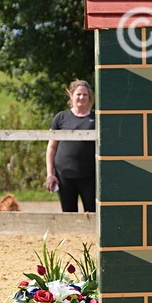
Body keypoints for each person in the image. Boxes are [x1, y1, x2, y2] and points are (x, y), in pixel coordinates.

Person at [46, 79, 96, 213]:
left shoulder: (96, 118)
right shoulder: (60, 117)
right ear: (71, 96)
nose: (81, 97)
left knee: (93, 213)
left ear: (89, 97)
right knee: (68, 213)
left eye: (85, 95)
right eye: (78, 94)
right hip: (64, 176)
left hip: (90, 176)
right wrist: (50, 174)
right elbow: (51, 147)